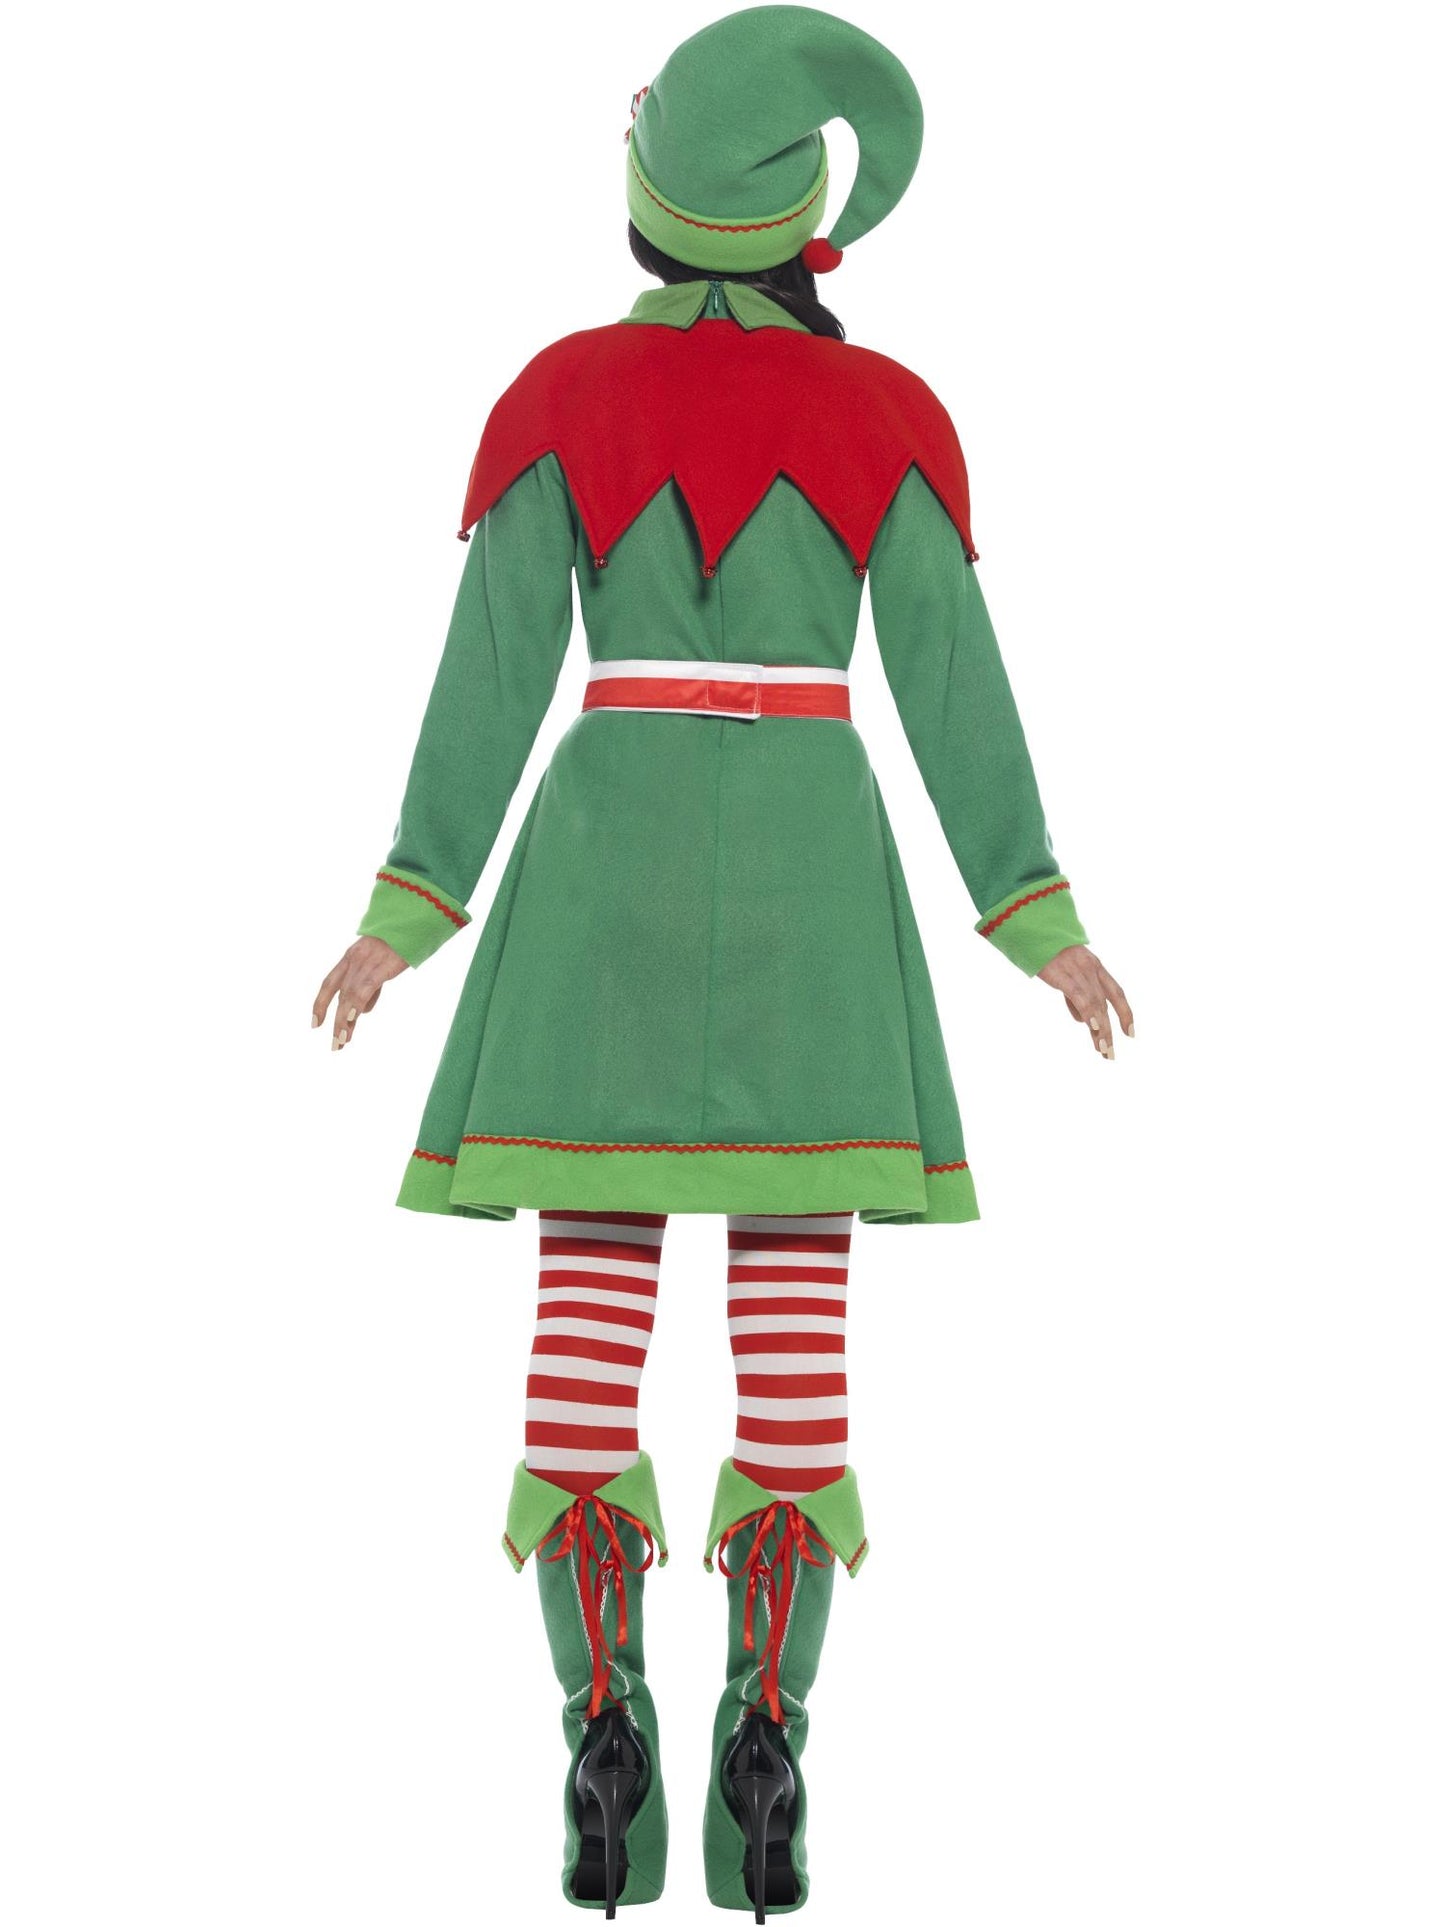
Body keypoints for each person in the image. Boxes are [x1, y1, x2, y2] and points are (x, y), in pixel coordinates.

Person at [312, 7, 1132, 1916]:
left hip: (600, 878)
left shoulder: (554, 397)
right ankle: (769, 1735)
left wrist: (405, 908)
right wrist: (1040, 922)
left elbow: (491, 676)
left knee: (584, 1326)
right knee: (793, 1336)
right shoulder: (890, 416)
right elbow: (951, 687)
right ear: (793, 226)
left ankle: (601, 1730)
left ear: (647, 196)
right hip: (809, 894)